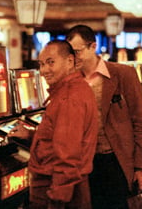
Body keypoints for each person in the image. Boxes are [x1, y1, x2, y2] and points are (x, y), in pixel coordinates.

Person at [66, 25, 142, 209]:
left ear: (93, 46)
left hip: (116, 160)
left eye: (78, 51)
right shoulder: (70, 80)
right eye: (70, 53)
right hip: (84, 163)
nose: (74, 57)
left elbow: (140, 122)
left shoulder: (123, 74)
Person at [27, 40, 99, 209]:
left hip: (56, 187)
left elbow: (68, 154)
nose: (44, 70)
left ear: (69, 61)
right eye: (41, 64)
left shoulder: (69, 96)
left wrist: (58, 197)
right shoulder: (72, 89)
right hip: (67, 184)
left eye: (51, 62)